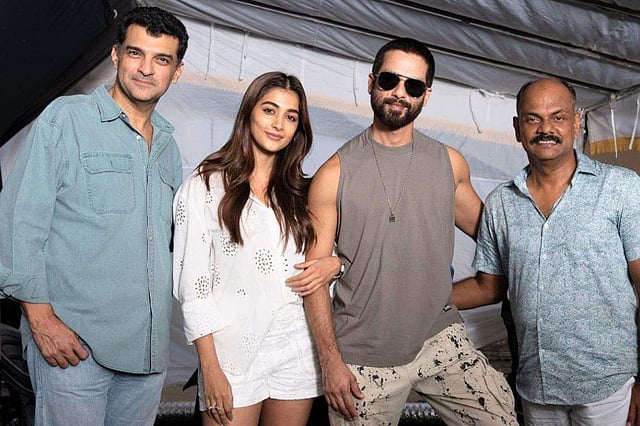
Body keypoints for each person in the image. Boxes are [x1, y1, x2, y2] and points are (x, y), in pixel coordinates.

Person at [300, 37, 517, 425]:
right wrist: (330, 362)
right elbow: (313, 280)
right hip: (364, 354)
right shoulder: (333, 174)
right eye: (390, 80)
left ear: (426, 95)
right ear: (371, 83)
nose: (400, 93)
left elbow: (498, 240)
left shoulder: (449, 164)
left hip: (440, 339)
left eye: (413, 86)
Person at [0, 6, 188, 425]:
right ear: (116, 55)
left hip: (147, 356)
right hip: (74, 348)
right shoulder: (66, 119)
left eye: (161, 59)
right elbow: (18, 222)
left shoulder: (169, 148)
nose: (146, 69)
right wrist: (41, 320)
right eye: (136, 53)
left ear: (176, 72)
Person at [452, 78, 640, 425]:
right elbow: (489, 287)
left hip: (608, 385)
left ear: (576, 123)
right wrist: (423, 299)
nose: (545, 129)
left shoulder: (622, 189)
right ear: (517, 128)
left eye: (558, 117)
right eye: (533, 118)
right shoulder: (501, 203)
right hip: (536, 386)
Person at [173, 71, 341, 426]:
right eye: (269, 110)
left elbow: (329, 257)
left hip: (297, 348)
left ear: (298, 128)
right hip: (231, 354)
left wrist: (335, 264)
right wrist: (210, 368)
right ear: (249, 111)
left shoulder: (302, 191)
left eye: (290, 117)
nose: (278, 124)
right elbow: (193, 288)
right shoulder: (205, 185)